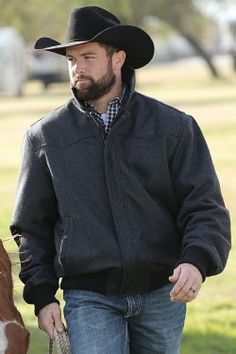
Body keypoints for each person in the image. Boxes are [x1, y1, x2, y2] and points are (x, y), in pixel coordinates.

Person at [10, 6, 231, 354]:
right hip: (89, 298)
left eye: (88, 56)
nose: (77, 68)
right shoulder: (45, 138)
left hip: (163, 296)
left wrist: (197, 260)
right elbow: (30, 228)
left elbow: (205, 207)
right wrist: (42, 297)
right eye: (70, 59)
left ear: (118, 60)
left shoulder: (173, 128)